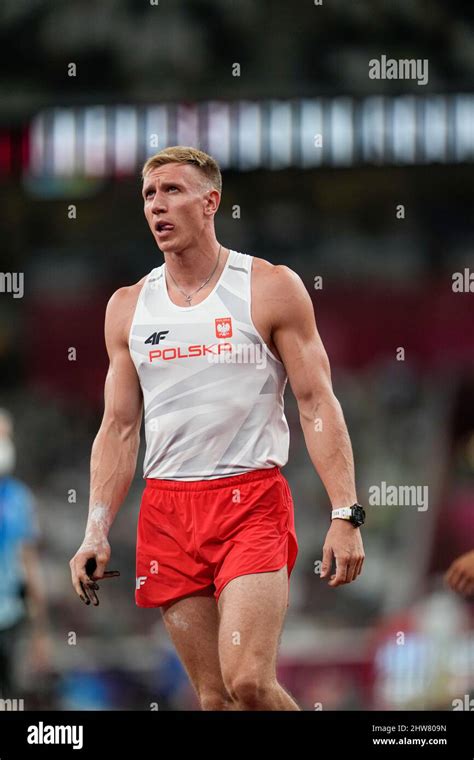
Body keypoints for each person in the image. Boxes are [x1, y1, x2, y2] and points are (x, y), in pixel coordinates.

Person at [69, 146, 365, 711]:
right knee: (213, 699)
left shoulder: (270, 287)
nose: (157, 204)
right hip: (168, 511)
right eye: (149, 194)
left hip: (249, 502)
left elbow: (316, 402)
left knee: (249, 681)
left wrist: (346, 513)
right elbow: (119, 427)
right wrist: (95, 530)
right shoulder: (129, 307)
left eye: (172, 191)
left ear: (211, 202)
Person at [0, 409, 49, 700]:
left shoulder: (18, 498)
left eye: (6, 437)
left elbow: (29, 566)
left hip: (10, 619)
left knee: (10, 698)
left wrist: (39, 632)